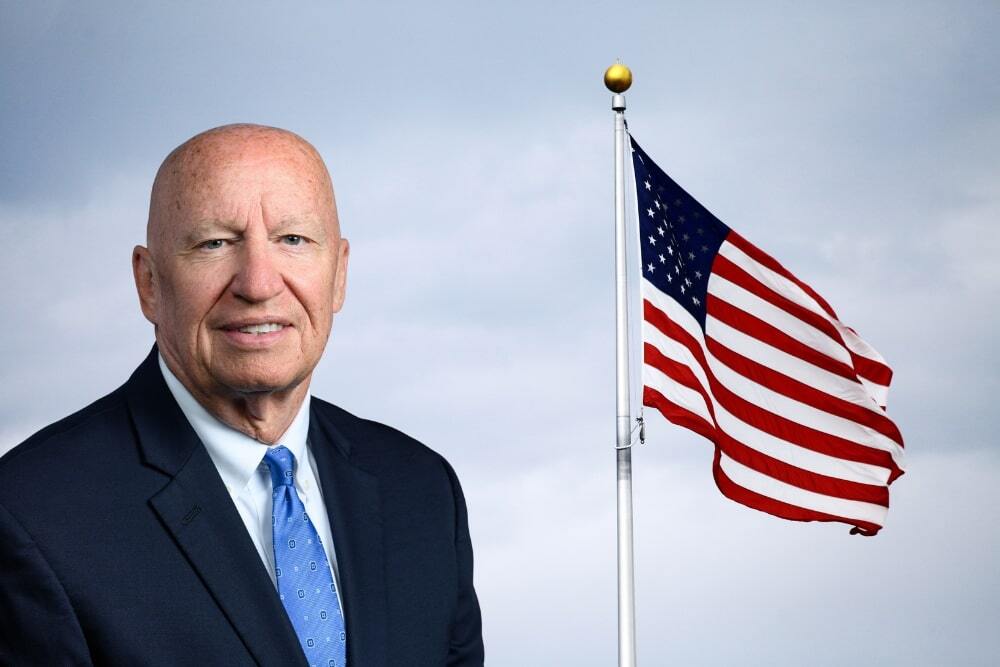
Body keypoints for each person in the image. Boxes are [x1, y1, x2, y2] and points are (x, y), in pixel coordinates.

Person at [0, 124, 484, 666]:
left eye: (293, 240)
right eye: (215, 243)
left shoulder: (421, 490)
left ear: (339, 274)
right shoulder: (30, 516)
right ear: (149, 283)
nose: (258, 284)